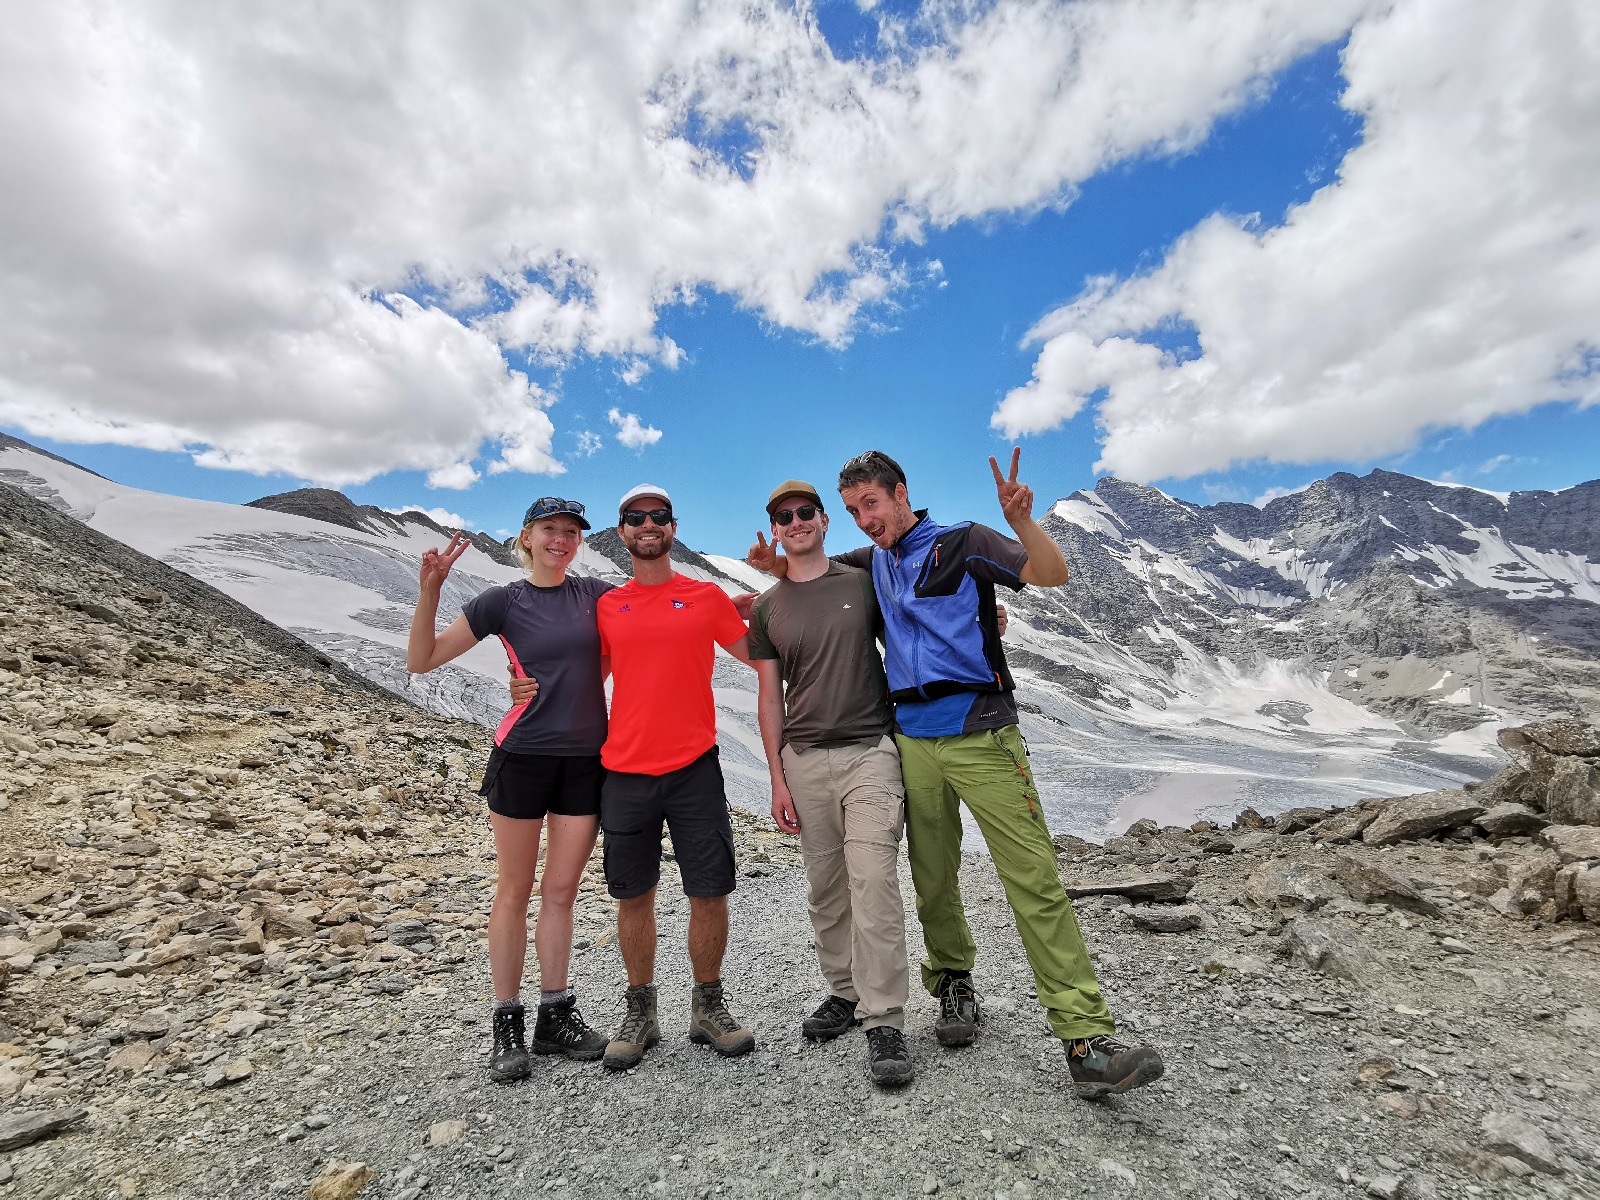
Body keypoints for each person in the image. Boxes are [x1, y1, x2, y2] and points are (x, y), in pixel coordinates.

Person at [750, 449, 1164, 1098]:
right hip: (911, 740)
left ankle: (1084, 1041)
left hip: (983, 733)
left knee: (1034, 881)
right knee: (932, 877)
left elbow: (1050, 573)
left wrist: (1023, 522)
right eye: (855, 510)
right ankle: (953, 986)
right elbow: (811, 576)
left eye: (873, 505)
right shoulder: (870, 562)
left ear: (901, 492)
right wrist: (772, 565)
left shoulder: (963, 541)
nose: (865, 520)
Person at [406, 497, 612, 1084]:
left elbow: (634, 637)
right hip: (521, 756)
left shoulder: (594, 594)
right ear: (526, 536)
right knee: (515, 890)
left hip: (583, 760)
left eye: (572, 532)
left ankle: (553, 1013)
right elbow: (422, 660)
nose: (562, 540)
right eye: (551, 530)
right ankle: (506, 1021)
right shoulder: (504, 601)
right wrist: (430, 591)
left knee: (562, 890)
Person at [746, 480, 914, 1087]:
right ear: (775, 529)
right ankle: (843, 993)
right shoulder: (768, 607)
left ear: (822, 520)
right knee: (826, 886)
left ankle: (885, 1019)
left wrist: (985, 618)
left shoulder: (861, 580)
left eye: (804, 513)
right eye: (782, 517)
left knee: (873, 883)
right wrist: (777, 776)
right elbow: (769, 695)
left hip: (871, 750)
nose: (794, 522)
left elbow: (915, 623)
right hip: (806, 760)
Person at [587, 485, 760, 1070]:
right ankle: (641, 1011)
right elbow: (584, 677)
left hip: (693, 768)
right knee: (633, 894)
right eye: (635, 519)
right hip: (625, 771)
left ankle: (707, 1006)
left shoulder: (705, 596)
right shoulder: (609, 606)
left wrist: (790, 609)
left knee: (709, 889)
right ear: (622, 532)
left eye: (657, 517)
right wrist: (521, 689)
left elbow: (762, 656)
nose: (648, 525)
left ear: (673, 526)